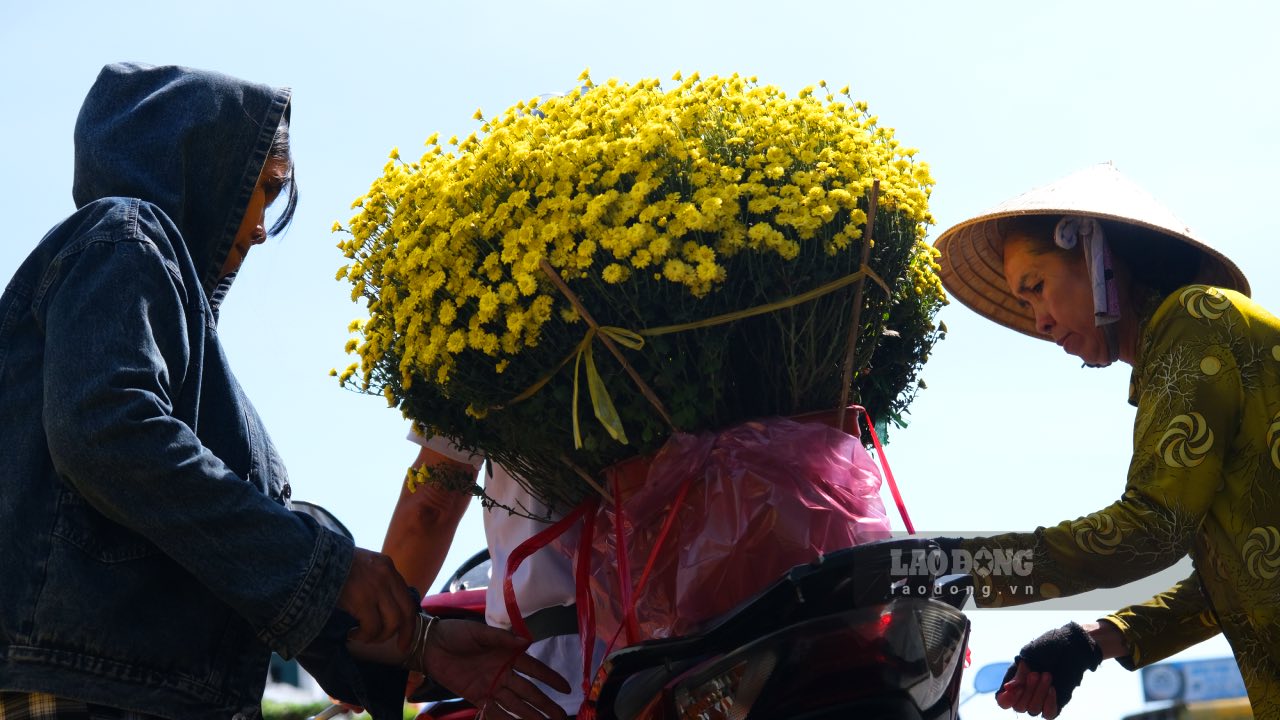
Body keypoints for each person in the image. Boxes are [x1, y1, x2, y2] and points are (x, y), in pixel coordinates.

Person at [0, 62, 565, 720]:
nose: (263, 227)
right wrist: (330, 566)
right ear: (203, 160)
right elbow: (108, 432)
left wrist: (419, 641)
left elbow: (215, 542)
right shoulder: (124, 233)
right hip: (103, 697)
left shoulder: (148, 292)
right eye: (266, 188)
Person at [931, 162, 1279, 718]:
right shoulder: (1181, 352)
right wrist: (1090, 640)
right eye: (1024, 304)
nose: (1040, 323)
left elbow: (1151, 526)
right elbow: (1231, 584)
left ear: (1098, 256)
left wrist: (940, 566)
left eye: (1037, 287)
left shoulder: (1196, 319)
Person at [383, 434, 589, 717]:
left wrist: (385, 635)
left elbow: (433, 504)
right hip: (662, 642)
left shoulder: (473, 389)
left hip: (554, 668)